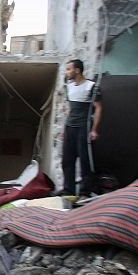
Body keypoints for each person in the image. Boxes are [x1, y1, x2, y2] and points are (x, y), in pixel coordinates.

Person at [61, 59, 102, 199]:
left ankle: (84, 192)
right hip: (70, 127)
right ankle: (68, 191)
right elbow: (69, 109)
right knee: (67, 160)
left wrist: (94, 130)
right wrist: (64, 128)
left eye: (69, 69)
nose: (67, 72)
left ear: (77, 70)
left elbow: (99, 108)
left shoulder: (91, 86)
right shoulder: (69, 86)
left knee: (84, 160)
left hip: (83, 127)